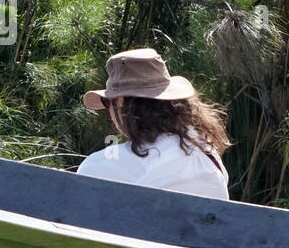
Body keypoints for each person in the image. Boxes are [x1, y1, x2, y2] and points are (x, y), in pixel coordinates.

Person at [77, 48, 231, 200]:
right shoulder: (207, 155)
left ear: (120, 101)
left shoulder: (99, 166)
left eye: (107, 102)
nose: (108, 113)